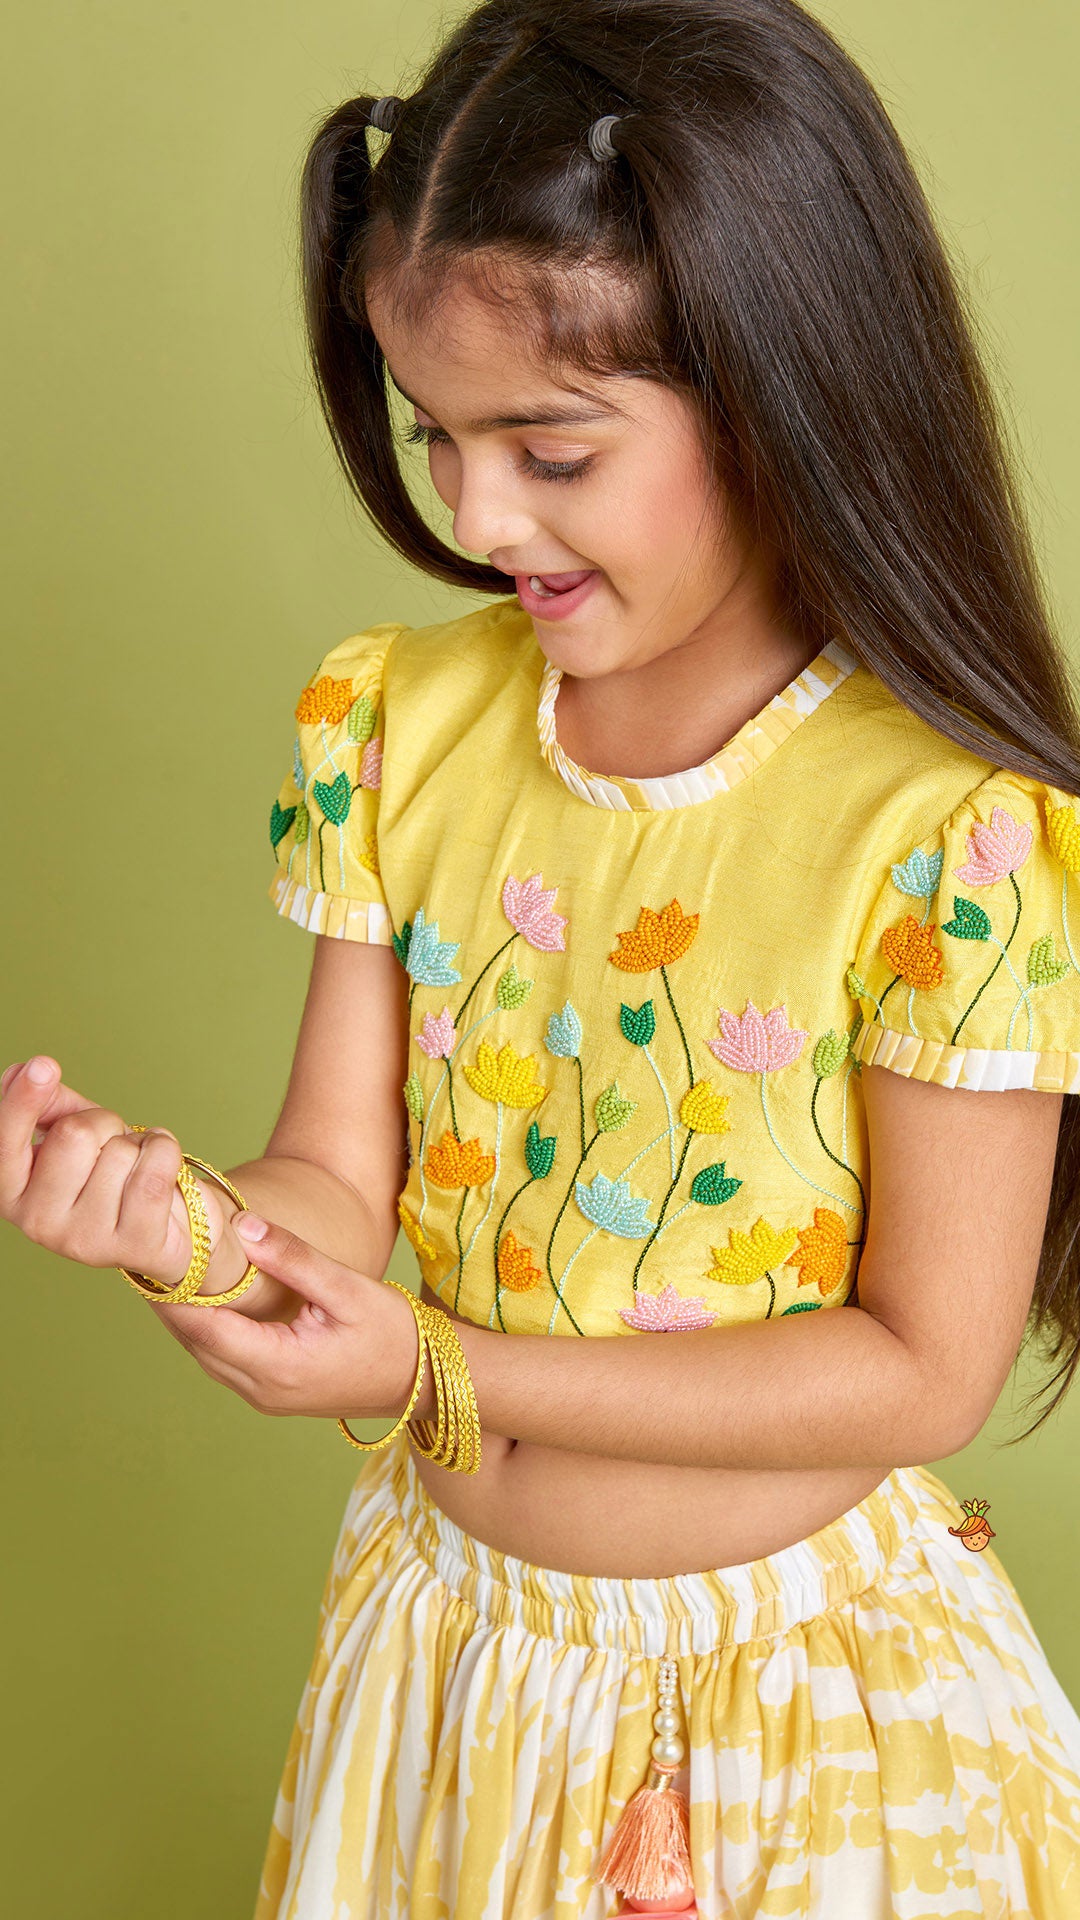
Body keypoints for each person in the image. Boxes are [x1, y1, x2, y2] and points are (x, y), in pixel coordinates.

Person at [4, 0, 1080, 1913]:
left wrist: (440, 1362)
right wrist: (175, 1222)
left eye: (550, 449)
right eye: (437, 434)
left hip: (786, 1726)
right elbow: (340, 1181)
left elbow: (922, 1368)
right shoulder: (400, 727)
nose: (476, 517)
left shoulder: (945, 831)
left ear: (780, 389)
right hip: (451, 1669)